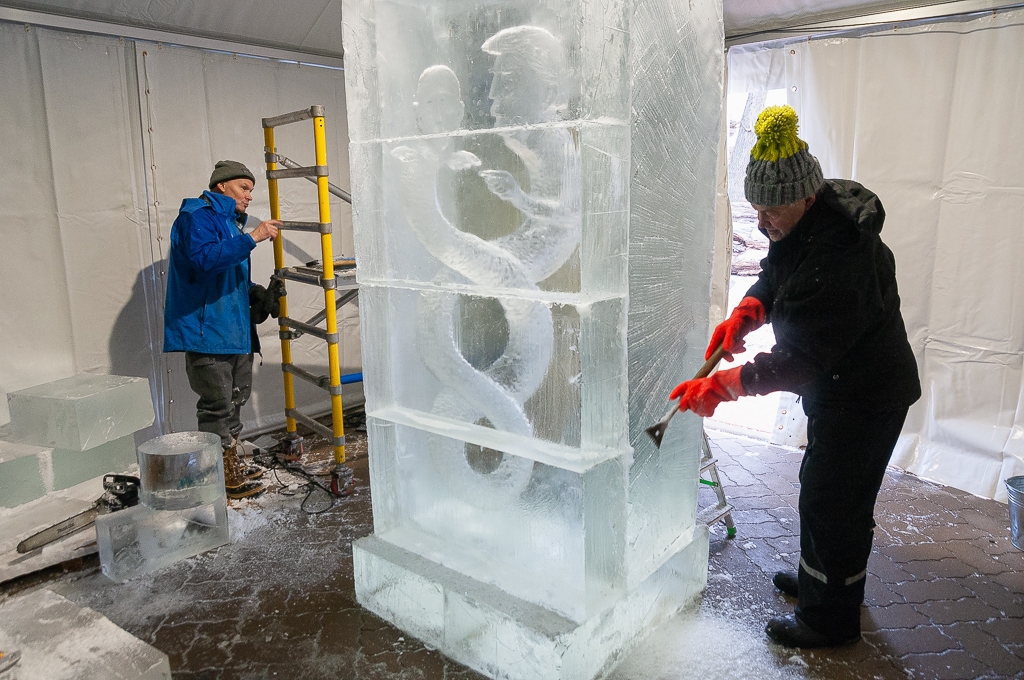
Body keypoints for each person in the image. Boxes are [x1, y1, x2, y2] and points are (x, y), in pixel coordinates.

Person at [670, 106, 921, 648]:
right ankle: (818, 582)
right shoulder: (805, 225)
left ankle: (829, 619)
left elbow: (799, 359)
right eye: (756, 210)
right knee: (821, 491)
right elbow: (776, 271)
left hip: (867, 395)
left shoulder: (842, 257)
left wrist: (723, 385)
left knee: (837, 503)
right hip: (836, 390)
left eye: (773, 211)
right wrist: (749, 310)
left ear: (807, 198)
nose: (764, 224)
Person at [163, 160, 285, 500]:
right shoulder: (196, 217)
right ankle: (218, 477)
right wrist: (254, 238)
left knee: (234, 404)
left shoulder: (231, 224)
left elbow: (229, 278)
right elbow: (204, 261)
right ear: (221, 186)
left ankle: (228, 466)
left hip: (235, 332)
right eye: (243, 188)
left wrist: (258, 295)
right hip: (208, 333)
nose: (249, 196)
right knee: (217, 407)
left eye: (250, 190)